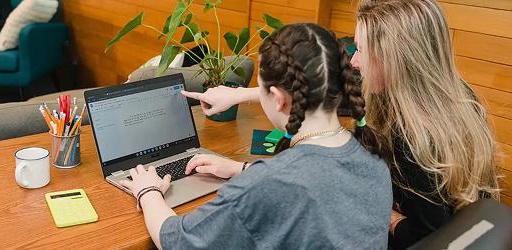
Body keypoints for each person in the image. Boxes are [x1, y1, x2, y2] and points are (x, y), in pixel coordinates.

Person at [182, 0, 500, 249]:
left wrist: (376, 207)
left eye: (361, 49)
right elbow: (326, 95)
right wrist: (245, 95)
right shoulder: (455, 97)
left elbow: (427, 238)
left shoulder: (414, 139)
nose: (355, 61)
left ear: (397, 60)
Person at [120, 23, 392, 249]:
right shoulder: (373, 158)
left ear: (277, 99)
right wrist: (242, 169)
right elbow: (312, 184)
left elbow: (177, 241)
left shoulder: (269, 184)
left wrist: (147, 191)